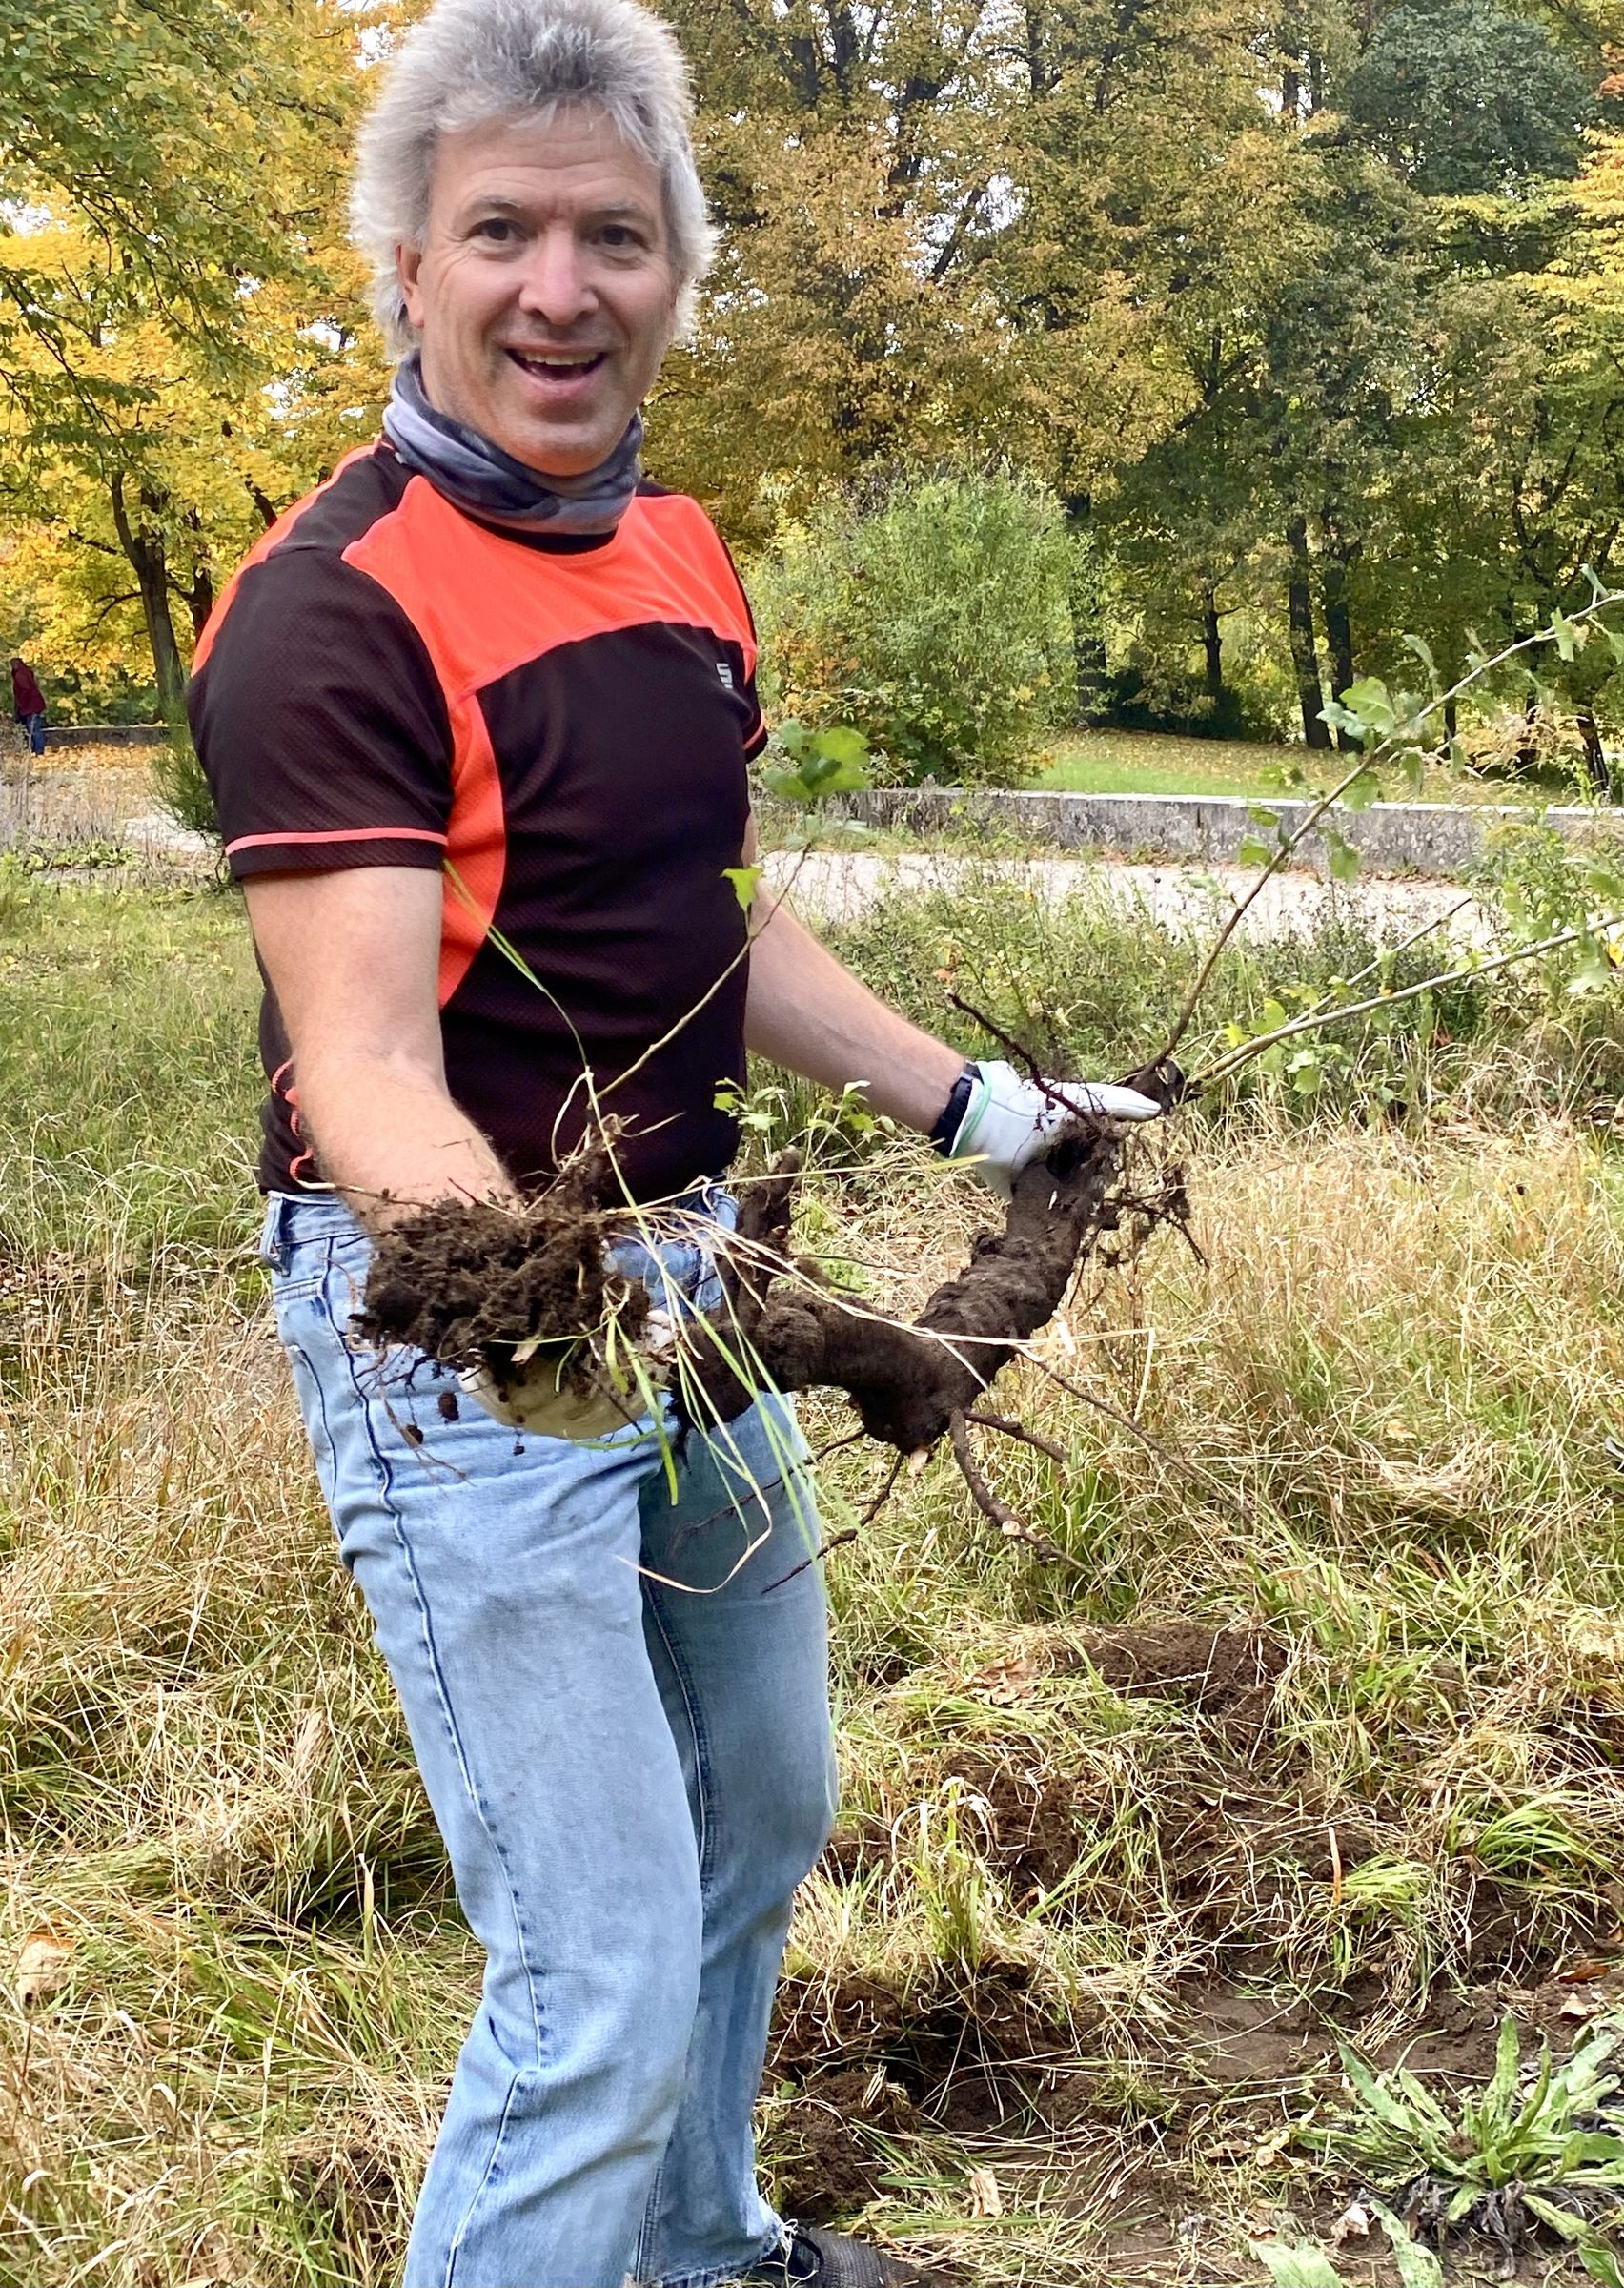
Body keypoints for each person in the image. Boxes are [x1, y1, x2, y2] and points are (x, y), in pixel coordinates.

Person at [188, 2, 1163, 2280]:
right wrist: (583, 1297)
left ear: (673, 271)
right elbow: (362, 1075)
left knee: (762, 1811)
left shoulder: (683, 558)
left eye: (610, 233)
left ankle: (699, 2246)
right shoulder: (331, 609)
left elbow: (716, 918)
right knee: (592, 1965)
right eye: (499, 229)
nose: (559, 285)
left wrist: (984, 1103)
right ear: (403, 269)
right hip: (464, 1327)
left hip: (686, 1266)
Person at [10, 655, 46, 755]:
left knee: (34, 728)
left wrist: (21, 704)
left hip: (30, 706)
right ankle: (36, 750)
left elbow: (25, 690)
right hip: (33, 705)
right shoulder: (26, 672)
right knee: (34, 727)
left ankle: (38, 750)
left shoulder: (20, 675)